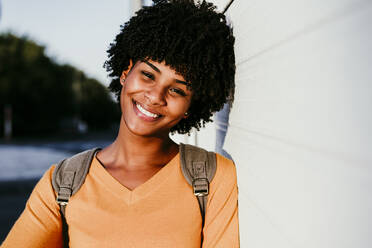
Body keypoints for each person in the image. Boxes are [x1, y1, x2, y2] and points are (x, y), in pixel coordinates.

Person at [1, 0, 239, 247]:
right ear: (126, 72)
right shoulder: (62, 184)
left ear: (191, 106)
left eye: (177, 90)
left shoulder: (213, 178)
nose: (156, 96)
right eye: (148, 75)